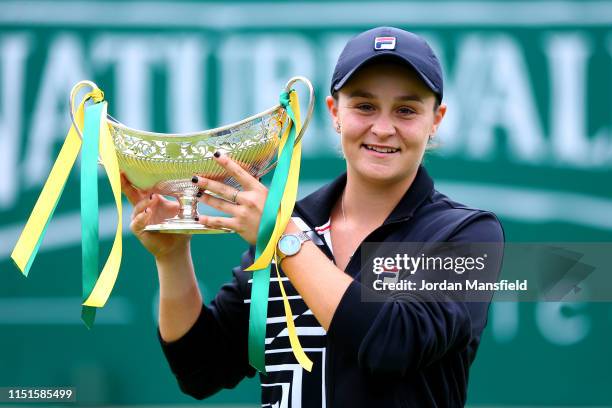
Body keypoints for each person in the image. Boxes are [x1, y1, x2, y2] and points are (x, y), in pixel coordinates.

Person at [121, 26, 504, 407]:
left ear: (436, 119)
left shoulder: (469, 233)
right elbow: (202, 370)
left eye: (406, 110)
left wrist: (283, 239)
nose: (383, 129)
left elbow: (394, 345)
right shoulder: (296, 221)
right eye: (364, 106)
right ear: (334, 112)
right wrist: (171, 258)